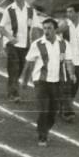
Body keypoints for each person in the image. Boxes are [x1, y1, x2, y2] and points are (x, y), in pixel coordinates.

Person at [23, 17, 72, 146]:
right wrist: (24, 80)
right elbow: (29, 63)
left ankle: (44, 129)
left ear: (55, 30)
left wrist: (72, 73)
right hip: (41, 82)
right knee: (43, 110)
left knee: (53, 111)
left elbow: (68, 61)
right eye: (44, 28)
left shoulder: (64, 44)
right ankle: (42, 136)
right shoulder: (37, 44)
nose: (46, 31)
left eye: (49, 28)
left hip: (57, 82)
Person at [0, 0, 36, 101]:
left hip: (25, 45)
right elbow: (1, 27)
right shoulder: (9, 10)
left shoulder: (31, 11)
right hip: (12, 45)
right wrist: (10, 38)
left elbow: (37, 27)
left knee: (19, 69)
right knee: (14, 68)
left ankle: (11, 89)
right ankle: (14, 93)